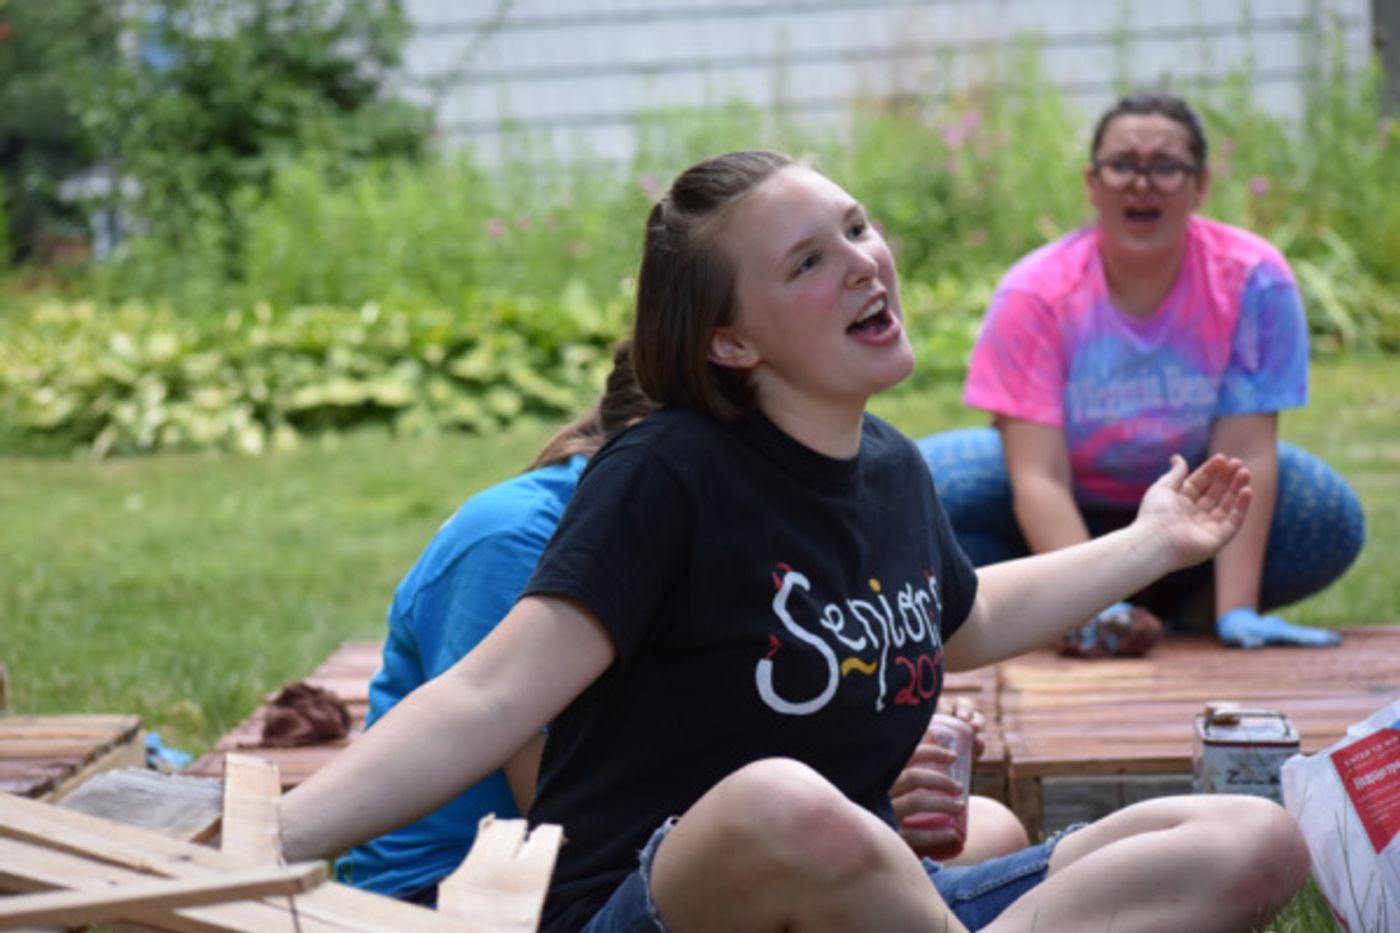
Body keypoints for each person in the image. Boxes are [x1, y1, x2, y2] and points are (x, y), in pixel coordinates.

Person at [281, 150, 1309, 932]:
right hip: (650, 904)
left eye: (855, 229)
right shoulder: (666, 471)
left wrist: (1151, 542)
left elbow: (966, 616)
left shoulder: (889, 468)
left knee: (1247, 837)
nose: (862, 263)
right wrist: (264, 842)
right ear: (731, 341)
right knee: (782, 802)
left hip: (851, 903)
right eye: (808, 262)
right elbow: (484, 696)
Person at [335, 341, 1026, 902]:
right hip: (465, 889)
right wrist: (850, 799)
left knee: (991, 829)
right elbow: (561, 806)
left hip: (673, 840)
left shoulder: (714, 530)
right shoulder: (515, 539)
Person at [919, 92, 1364, 655]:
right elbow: (1038, 476)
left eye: (1166, 167)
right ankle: (1067, 616)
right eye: (1122, 164)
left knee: (1329, 516)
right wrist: (1093, 605)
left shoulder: (1253, 279)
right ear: (1092, 181)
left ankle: (1187, 618)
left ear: (1200, 184)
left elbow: (1246, 454)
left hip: (1191, 501)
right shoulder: (1034, 292)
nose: (1141, 182)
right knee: (920, 489)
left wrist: (1238, 609)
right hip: (1063, 495)